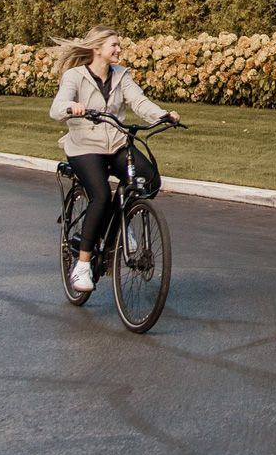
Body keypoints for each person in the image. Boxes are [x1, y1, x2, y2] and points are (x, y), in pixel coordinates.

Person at [48, 27, 179, 296]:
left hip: (117, 143)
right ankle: (83, 264)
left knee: (150, 180)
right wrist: (72, 108)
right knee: (100, 195)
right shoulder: (75, 76)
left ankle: (122, 222)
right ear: (97, 48)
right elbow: (57, 106)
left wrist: (163, 115)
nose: (119, 49)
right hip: (85, 146)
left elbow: (139, 102)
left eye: (119, 45)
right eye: (114, 45)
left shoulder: (122, 75)